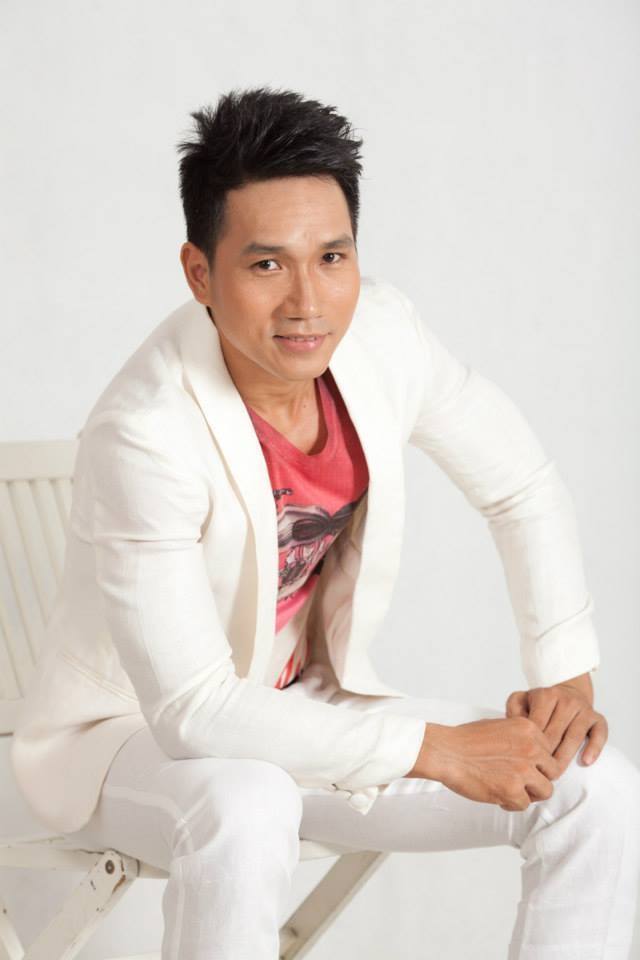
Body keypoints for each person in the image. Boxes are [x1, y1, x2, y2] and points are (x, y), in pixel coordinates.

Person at [11, 86, 640, 959]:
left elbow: (520, 483)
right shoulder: (145, 431)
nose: (308, 302)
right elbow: (193, 711)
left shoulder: (383, 337)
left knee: (592, 788)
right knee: (248, 801)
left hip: (300, 709)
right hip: (126, 740)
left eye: (332, 257)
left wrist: (565, 672)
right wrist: (433, 749)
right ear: (200, 273)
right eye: (267, 265)